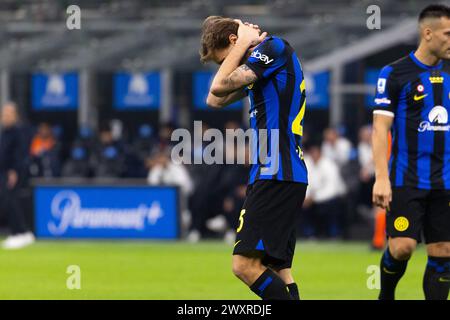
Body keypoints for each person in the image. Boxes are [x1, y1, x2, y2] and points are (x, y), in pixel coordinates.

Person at [200, 16, 308, 300]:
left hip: (276, 173)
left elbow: (218, 85)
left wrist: (243, 43)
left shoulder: (272, 48)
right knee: (279, 270)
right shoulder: (262, 67)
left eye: (223, 57)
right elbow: (213, 100)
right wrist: (241, 47)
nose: (227, 64)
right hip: (279, 173)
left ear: (234, 42)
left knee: (244, 266)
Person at [372, 4, 450, 300]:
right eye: (448, 34)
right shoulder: (394, 73)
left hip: (446, 180)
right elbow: (380, 129)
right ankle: (386, 295)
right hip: (407, 177)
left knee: (444, 251)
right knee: (402, 247)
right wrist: (381, 178)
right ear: (427, 33)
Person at [0, 102, 34, 249]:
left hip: (13, 173)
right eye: (3, 114)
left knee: (12, 202)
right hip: (3, 172)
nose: (5, 117)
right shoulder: (4, 133)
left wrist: (14, 170)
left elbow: (20, 155)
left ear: (15, 115)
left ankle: (20, 233)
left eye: (8, 114)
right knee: (8, 202)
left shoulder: (18, 132)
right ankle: (20, 232)